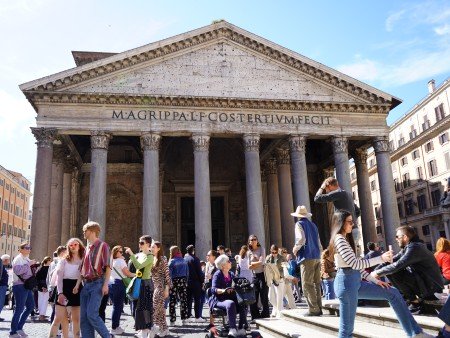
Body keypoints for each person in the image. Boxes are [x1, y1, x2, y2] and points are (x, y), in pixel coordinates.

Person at [329, 210, 432, 338]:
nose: (353, 224)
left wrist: (376, 281)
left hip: (354, 283)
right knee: (346, 331)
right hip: (347, 285)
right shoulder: (339, 239)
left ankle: (415, 333)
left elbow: (355, 268)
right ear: (341, 223)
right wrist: (381, 258)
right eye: (349, 222)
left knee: (393, 293)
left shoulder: (343, 239)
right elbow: (355, 264)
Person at [371, 225, 444, 314]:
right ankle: (409, 300)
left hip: (432, 288)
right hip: (425, 284)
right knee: (390, 269)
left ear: (405, 237)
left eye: (397, 237)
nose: (396, 239)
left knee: (394, 271)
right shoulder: (409, 247)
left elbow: (397, 265)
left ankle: (414, 303)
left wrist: (377, 273)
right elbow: (391, 261)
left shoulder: (415, 247)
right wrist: (371, 274)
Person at [77, 221, 112, 338]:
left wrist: (105, 284)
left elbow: (108, 267)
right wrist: (77, 285)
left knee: (92, 315)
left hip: (98, 283)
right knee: (83, 319)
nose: (83, 233)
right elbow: (82, 269)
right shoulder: (87, 248)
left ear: (92, 231)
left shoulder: (103, 246)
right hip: (86, 285)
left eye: (85, 231)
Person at [49, 238, 85, 338]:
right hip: (63, 288)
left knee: (76, 320)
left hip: (77, 289)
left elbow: (81, 275)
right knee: (59, 319)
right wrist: (60, 293)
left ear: (79, 245)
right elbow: (59, 279)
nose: (73, 246)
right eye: (70, 245)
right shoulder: (64, 260)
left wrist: (77, 286)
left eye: (75, 244)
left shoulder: (83, 259)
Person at [291, 205, 322, 316]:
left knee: (306, 284)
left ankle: (313, 309)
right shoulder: (313, 225)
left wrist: (295, 249)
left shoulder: (299, 224)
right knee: (316, 283)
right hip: (317, 256)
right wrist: (320, 255)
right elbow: (318, 242)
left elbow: (301, 239)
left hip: (306, 256)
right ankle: (319, 307)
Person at [209, 254, 246, 337]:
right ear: (223, 265)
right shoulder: (217, 274)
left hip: (230, 297)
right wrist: (223, 290)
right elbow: (213, 289)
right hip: (219, 300)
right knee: (230, 303)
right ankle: (232, 329)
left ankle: (241, 328)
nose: (230, 262)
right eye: (228, 261)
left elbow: (237, 283)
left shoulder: (231, 274)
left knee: (243, 302)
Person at [125, 235, 155, 338]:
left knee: (145, 308)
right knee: (140, 308)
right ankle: (147, 329)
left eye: (142, 243)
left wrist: (131, 254)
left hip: (146, 284)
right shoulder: (141, 254)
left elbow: (138, 266)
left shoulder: (150, 256)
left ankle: (146, 330)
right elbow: (138, 271)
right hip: (140, 282)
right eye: (139, 242)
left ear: (148, 244)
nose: (139, 245)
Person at [10, 242, 36, 338]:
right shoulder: (18, 259)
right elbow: (18, 271)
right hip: (19, 286)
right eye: (26, 248)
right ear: (20, 249)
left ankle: (19, 328)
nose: (29, 249)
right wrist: (29, 265)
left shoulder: (26, 258)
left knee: (30, 306)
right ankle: (12, 332)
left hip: (26, 285)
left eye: (30, 248)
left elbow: (28, 271)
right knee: (19, 308)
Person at [109, 245, 135, 335]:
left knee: (115, 307)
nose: (122, 253)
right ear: (115, 252)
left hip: (111, 284)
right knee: (118, 307)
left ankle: (115, 326)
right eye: (120, 252)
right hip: (119, 284)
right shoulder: (120, 261)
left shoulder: (111, 261)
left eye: (122, 252)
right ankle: (114, 327)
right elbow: (127, 273)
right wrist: (136, 274)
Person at [150, 241, 171, 337]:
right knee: (161, 310)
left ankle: (153, 328)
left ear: (158, 248)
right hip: (154, 286)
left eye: (153, 247)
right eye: (151, 247)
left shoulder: (163, 259)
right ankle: (165, 329)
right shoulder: (152, 258)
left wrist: (167, 289)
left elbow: (167, 275)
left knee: (155, 309)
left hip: (160, 287)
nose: (151, 248)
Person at [248, 234, 269, 320]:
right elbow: (249, 266)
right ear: (249, 242)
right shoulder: (249, 252)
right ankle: (255, 316)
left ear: (257, 241)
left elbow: (262, 262)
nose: (253, 241)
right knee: (253, 297)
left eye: (255, 239)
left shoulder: (261, 249)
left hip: (262, 275)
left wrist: (254, 263)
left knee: (264, 295)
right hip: (254, 276)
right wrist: (256, 262)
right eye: (252, 240)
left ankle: (265, 314)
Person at [168, 245, 189, 325]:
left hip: (173, 281)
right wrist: (186, 281)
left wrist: (168, 283)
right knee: (183, 300)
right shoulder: (184, 260)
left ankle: (172, 320)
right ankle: (184, 319)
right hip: (183, 280)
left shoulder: (171, 261)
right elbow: (187, 272)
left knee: (172, 301)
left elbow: (169, 273)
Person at [184, 244, 204, 322]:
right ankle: (197, 317)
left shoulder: (184, 259)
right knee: (197, 300)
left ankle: (188, 316)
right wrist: (202, 281)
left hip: (187, 282)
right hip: (196, 282)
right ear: (193, 251)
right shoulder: (195, 259)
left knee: (188, 299)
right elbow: (199, 272)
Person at [47, 246, 67, 323]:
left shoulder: (54, 262)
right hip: (56, 288)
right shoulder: (58, 262)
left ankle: (58, 328)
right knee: (57, 309)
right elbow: (52, 275)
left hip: (55, 287)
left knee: (57, 309)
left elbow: (48, 276)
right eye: (66, 252)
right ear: (62, 253)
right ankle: (56, 329)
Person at [265, 245, 286, 318]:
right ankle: (276, 309)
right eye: (272, 252)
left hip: (280, 278)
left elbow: (285, 267)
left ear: (277, 251)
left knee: (279, 296)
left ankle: (279, 312)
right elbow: (266, 267)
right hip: (271, 279)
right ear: (270, 251)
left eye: (275, 252)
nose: (274, 253)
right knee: (270, 297)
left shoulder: (281, 257)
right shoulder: (268, 257)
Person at [36, 256, 51, 321]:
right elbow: (48, 279)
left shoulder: (40, 268)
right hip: (46, 286)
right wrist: (45, 286)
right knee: (45, 301)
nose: (51, 262)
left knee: (40, 300)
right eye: (50, 260)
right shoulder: (49, 269)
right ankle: (42, 315)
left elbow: (37, 278)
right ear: (47, 261)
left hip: (40, 286)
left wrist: (41, 286)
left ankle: (41, 315)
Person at [0, 254, 10, 322]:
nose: (9, 262)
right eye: (8, 260)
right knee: (1, 302)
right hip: (1, 286)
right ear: (5, 260)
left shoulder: (2, 266)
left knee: (1, 302)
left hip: (3, 285)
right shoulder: (1, 266)